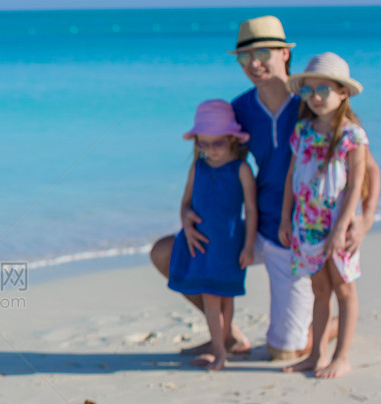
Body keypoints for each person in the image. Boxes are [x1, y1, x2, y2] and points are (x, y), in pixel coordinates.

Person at [150, 15, 380, 360]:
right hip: (254, 228)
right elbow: (215, 163)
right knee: (167, 254)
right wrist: (188, 214)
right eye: (244, 57)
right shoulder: (240, 109)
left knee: (286, 351)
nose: (253, 64)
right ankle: (227, 336)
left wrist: (364, 219)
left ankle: (326, 327)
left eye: (263, 54)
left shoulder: (314, 99)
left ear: (284, 53)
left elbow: (367, 167)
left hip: (300, 234)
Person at [278, 53, 367, 378]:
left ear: (343, 92)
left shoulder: (351, 135)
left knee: (344, 289)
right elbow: (291, 177)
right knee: (319, 290)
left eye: (323, 90)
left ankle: (341, 356)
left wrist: (342, 227)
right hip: (306, 225)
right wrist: (286, 219)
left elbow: (357, 184)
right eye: (308, 90)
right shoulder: (302, 130)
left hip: (336, 226)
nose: (314, 97)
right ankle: (316, 354)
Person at [168, 100, 257, 370]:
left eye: (215, 143)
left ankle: (224, 344)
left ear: (231, 138)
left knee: (226, 295)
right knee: (209, 296)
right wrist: (186, 220)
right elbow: (185, 203)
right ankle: (218, 349)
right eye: (202, 144)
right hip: (201, 242)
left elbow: (251, 209)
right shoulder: (198, 167)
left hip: (229, 242)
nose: (208, 150)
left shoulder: (241, 169)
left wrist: (249, 245)